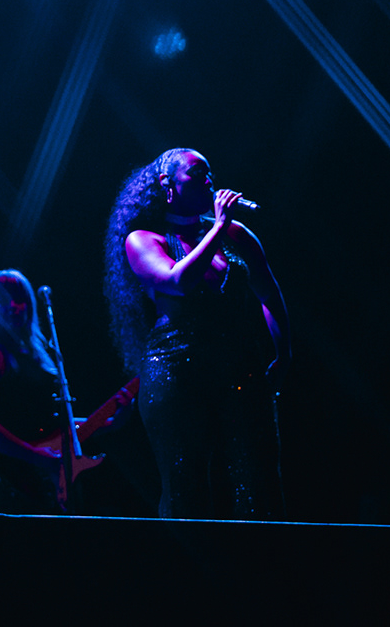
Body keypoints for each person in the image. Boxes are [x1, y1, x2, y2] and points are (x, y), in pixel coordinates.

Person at [102, 149, 289, 518]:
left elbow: (269, 294)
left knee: (258, 480)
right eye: (197, 172)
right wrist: (217, 227)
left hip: (240, 368)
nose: (209, 180)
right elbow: (178, 281)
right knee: (186, 487)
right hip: (176, 372)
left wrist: (283, 353)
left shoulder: (237, 235)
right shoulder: (143, 240)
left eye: (210, 173)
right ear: (167, 184)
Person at [0, 269, 112, 513]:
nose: (13, 306)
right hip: (16, 481)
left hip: (50, 480)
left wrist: (107, 422)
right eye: (3, 299)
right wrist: (35, 456)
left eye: (19, 299)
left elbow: (52, 425)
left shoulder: (39, 358)